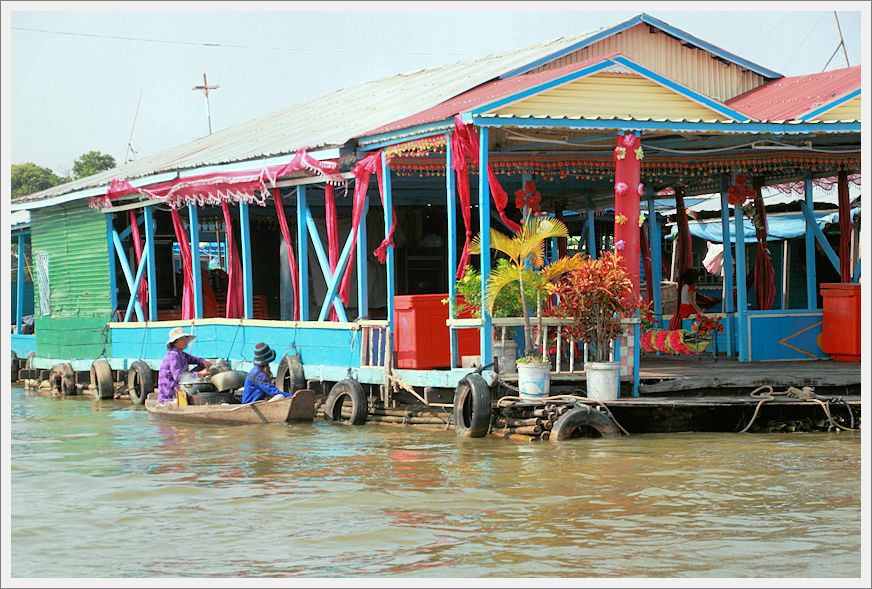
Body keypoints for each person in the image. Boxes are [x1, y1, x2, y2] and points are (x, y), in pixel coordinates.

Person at [157, 327, 211, 404]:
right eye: (182, 339)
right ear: (175, 342)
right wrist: (200, 373)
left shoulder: (181, 354)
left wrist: (203, 361)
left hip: (179, 388)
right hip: (169, 396)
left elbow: (194, 359)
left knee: (201, 366)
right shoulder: (173, 356)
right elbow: (179, 377)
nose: (186, 341)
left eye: (186, 339)